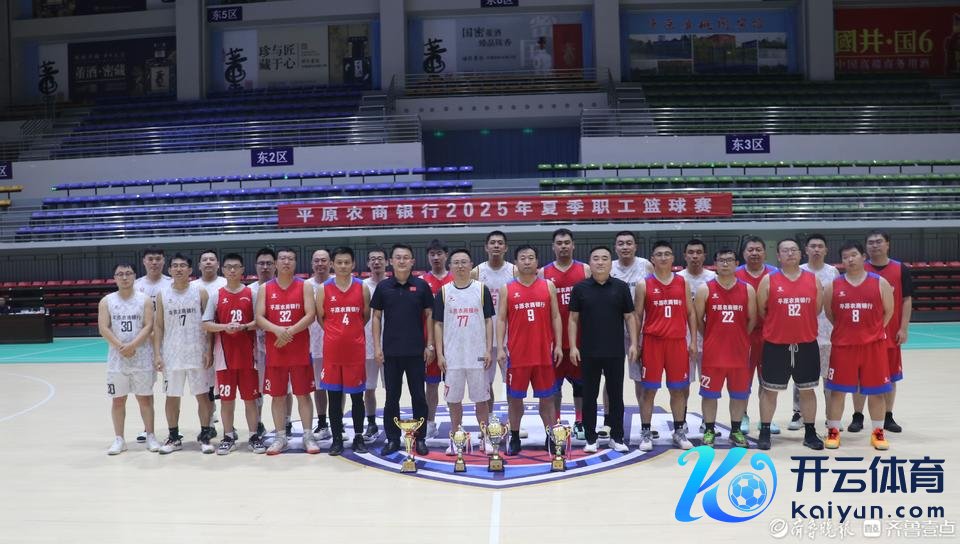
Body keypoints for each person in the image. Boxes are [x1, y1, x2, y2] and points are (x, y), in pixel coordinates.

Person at [823, 241, 894, 451]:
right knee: (837, 391)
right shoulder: (834, 285)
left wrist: (872, 331)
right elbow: (830, 314)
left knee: (877, 392)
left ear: (863, 257)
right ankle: (833, 431)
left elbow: (888, 312)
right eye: (845, 257)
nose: (849, 259)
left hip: (873, 347)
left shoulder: (880, 282)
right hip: (843, 347)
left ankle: (878, 432)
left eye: (853, 255)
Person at [756, 238, 824, 451]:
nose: (790, 253)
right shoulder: (768, 280)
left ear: (800, 254)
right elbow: (762, 310)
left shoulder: (813, 279)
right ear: (778, 256)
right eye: (785, 250)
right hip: (776, 345)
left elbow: (817, 309)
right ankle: (765, 431)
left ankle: (810, 432)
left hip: (806, 344)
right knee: (769, 391)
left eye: (794, 250)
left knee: (807, 390)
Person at [568, 246, 637, 453]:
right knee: (589, 396)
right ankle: (591, 438)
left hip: (615, 351)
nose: (600, 262)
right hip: (588, 352)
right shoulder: (580, 288)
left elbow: (629, 317)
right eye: (596, 258)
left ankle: (617, 437)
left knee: (616, 396)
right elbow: (573, 319)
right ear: (590, 263)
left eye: (604, 258)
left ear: (610, 263)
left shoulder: (621, 287)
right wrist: (573, 346)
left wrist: (634, 343)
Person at [497, 245, 562, 456]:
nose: (527, 261)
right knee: (515, 400)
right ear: (516, 263)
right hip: (517, 355)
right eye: (523, 258)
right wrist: (500, 348)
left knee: (548, 400)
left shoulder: (548, 286)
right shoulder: (507, 288)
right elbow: (501, 319)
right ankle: (515, 437)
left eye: (531, 258)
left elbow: (555, 316)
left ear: (537, 262)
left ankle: (551, 437)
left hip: (543, 354)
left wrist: (558, 345)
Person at [254, 248, 320, 455]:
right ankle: (280, 437)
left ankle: (308, 435)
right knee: (278, 396)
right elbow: (259, 317)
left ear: (295, 263)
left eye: (290, 259)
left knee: (303, 394)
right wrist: (277, 330)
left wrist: (288, 332)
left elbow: (310, 314)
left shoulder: (305, 286)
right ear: (276, 263)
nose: (286, 262)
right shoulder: (265, 288)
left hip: (299, 350)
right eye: (282, 258)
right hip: (276, 350)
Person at [371, 243, 434, 457]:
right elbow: (376, 317)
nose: (402, 261)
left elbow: (429, 315)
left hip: (416, 352)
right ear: (391, 261)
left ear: (412, 261)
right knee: (392, 398)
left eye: (406, 257)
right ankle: (392, 438)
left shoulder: (421, 286)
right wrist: (377, 347)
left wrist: (430, 345)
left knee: (419, 397)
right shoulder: (383, 287)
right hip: (391, 352)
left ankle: (420, 438)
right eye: (398, 257)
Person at [635, 241, 698, 451]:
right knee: (648, 391)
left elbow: (691, 313)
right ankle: (646, 433)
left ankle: (679, 431)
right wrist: (636, 343)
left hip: (677, 342)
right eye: (659, 254)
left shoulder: (682, 282)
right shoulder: (644, 284)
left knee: (678, 390)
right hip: (652, 342)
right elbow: (637, 316)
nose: (663, 257)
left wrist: (693, 341)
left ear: (673, 258)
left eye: (667, 254)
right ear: (652, 259)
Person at [433, 248, 495, 455]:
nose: (460, 266)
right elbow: (438, 324)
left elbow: (488, 321)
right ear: (450, 266)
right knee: (453, 401)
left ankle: (485, 437)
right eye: (456, 262)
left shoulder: (481, 289)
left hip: (477, 355)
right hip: (453, 357)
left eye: (464, 262)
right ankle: (456, 438)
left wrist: (488, 350)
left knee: (481, 400)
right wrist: (440, 353)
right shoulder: (444, 292)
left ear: (471, 265)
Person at [850, 230, 913, 434]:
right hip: (863, 337)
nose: (875, 245)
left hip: (890, 334)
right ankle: (857, 416)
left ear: (888, 244)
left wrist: (903, 328)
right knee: (859, 377)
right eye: (871, 242)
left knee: (890, 378)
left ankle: (888, 416)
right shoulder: (859, 268)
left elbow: (906, 300)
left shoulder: (900, 269)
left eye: (879, 242)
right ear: (865, 248)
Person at [693, 249, 756, 448]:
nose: (725, 264)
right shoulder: (705, 289)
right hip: (713, 353)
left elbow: (752, 319)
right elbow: (698, 319)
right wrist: (712, 336)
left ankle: (735, 430)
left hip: (739, 352)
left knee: (739, 394)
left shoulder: (747, 289)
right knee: (709, 394)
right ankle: (709, 430)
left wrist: (739, 337)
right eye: (721, 260)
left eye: (729, 260)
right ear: (715, 264)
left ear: (737, 263)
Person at [153, 254, 214, 454]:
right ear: (169, 270)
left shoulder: (200, 292)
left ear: (190, 270)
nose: (178, 269)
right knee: (172, 396)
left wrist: (209, 350)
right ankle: (173, 437)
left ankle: (205, 435)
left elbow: (209, 324)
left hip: (197, 353)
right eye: (175, 266)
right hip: (172, 354)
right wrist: (157, 354)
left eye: (183, 266)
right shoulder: (162, 294)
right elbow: (158, 326)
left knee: (202, 396)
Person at [201, 253, 262, 455]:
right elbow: (206, 324)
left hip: (249, 358)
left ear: (243, 270)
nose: (233, 270)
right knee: (227, 400)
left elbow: (260, 321)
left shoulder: (252, 293)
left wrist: (244, 326)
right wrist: (225, 327)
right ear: (223, 270)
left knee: (250, 400)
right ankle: (228, 437)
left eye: (236, 266)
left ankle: (254, 436)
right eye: (229, 267)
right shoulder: (216, 295)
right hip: (224, 359)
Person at [99, 263, 159, 455]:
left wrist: (132, 345)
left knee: (145, 399)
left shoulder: (144, 300)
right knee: (118, 400)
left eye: (128, 273)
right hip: (117, 359)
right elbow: (104, 328)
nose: (124, 277)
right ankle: (119, 439)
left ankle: (150, 435)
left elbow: (148, 325)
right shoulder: (107, 301)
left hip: (142, 357)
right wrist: (120, 346)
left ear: (134, 276)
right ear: (115, 278)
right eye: (120, 274)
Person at [316, 247, 371, 456]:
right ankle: (337, 438)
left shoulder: (362, 287)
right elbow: (321, 318)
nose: (343, 266)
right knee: (334, 398)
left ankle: (358, 436)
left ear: (353, 264)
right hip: (332, 353)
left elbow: (365, 316)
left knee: (357, 397)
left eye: (347, 262)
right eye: (339, 262)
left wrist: (351, 334)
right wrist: (335, 334)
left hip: (355, 352)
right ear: (332, 264)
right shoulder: (324, 289)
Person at [541, 228, 590, 439]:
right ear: (553, 247)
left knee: (581, 384)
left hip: (580, 339)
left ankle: (580, 421)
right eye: (559, 243)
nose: (563, 246)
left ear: (573, 245)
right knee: (555, 387)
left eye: (567, 242)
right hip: (555, 341)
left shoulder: (585, 270)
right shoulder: (543, 273)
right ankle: (557, 422)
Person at [610, 230, 655, 440]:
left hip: (640, 328)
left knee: (640, 379)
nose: (625, 247)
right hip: (613, 329)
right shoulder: (609, 266)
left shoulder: (646, 266)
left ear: (636, 246)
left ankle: (644, 423)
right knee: (611, 378)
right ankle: (609, 421)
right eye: (621, 243)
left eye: (629, 243)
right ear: (615, 247)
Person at [793, 234, 840, 430]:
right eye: (813, 246)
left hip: (828, 335)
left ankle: (831, 416)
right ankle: (798, 414)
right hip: (803, 334)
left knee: (830, 378)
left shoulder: (833, 272)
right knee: (801, 378)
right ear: (806, 250)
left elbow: (836, 302)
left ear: (826, 250)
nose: (816, 249)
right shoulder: (798, 271)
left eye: (820, 246)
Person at [734, 236, 780, 436]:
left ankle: (766, 419)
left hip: (770, 335)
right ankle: (743, 415)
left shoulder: (775, 274)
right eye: (750, 249)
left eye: (758, 249)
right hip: (743, 335)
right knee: (742, 379)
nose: (754, 253)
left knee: (768, 380)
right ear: (744, 253)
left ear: (765, 252)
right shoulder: (735, 274)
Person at [471, 231, 517, 420]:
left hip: (510, 338)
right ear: (486, 247)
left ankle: (514, 420)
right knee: (485, 383)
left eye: (500, 243)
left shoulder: (514, 271)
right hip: (485, 340)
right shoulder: (477, 272)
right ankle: (489, 421)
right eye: (492, 242)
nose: (496, 245)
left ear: (505, 248)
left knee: (513, 383)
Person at [133, 246, 172, 443]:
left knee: (172, 388)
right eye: (150, 259)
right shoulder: (136, 285)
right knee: (145, 389)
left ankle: (173, 430)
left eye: (158, 258)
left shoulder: (172, 283)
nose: (154, 262)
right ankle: (148, 430)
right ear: (144, 261)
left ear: (164, 261)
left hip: (169, 342)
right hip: (144, 344)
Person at [678, 239, 716, 433]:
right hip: (682, 339)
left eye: (698, 252)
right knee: (683, 384)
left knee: (708, 383)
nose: (695, 256)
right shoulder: (677, 279)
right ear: (684, 256)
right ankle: (681, 420)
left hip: (708, 339)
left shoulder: (714, 278)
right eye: (691, 252)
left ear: (704, 255)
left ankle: (706, 422)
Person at [191, 250, 227, 437]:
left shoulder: (226, 283)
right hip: (202, 343)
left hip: (226, 340)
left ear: (218, 264)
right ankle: (209, 423)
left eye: (212, 259)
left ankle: (229, 427)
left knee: (226, 386)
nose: (208, 262)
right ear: (199, 265)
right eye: (204, 260)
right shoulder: (192, 287)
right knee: (206, 387)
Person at [421, 239, 453, 440]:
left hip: (452, 342)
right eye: (432, 253)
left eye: (439, 253)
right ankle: (430, 423)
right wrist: (428, 344)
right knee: (431, 386)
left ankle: (455, 426)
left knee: (453, 385)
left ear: (446, 255)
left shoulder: (455, 279)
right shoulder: (422, 281)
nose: (436, 257)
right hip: (430, 342)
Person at [247, 247, 276, 445]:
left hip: (279, 344)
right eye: (261, 263)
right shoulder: (248, 291)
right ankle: (257, 423)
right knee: (256, 389)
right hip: (255, 347)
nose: (265, 267)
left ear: (275, 266)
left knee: (284, 388)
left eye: (269, 263)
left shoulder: (282, 288)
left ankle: (286, 422)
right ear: (255, 266)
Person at [304, 249, 333, 439]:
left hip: (336, 344)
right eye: (316, 261)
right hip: (312, 345)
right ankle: (322, 423)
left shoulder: (338, 283)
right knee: (319, 386)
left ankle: (337, 422)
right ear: (312, 264)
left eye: (324, 260)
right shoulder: (305, 286)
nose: (320, 264)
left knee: (337, 386)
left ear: (330, 263)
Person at [361, 248, 388, 443]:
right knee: (368, 388)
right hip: (367, 345)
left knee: (392, 389)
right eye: (373, 259)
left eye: (380, 259)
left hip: (391, 346)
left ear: (387, 262)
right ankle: (371, 423)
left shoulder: (393, 284)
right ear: (368, 263)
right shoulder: (362, 286)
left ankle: (391, 422)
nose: (376, 262)